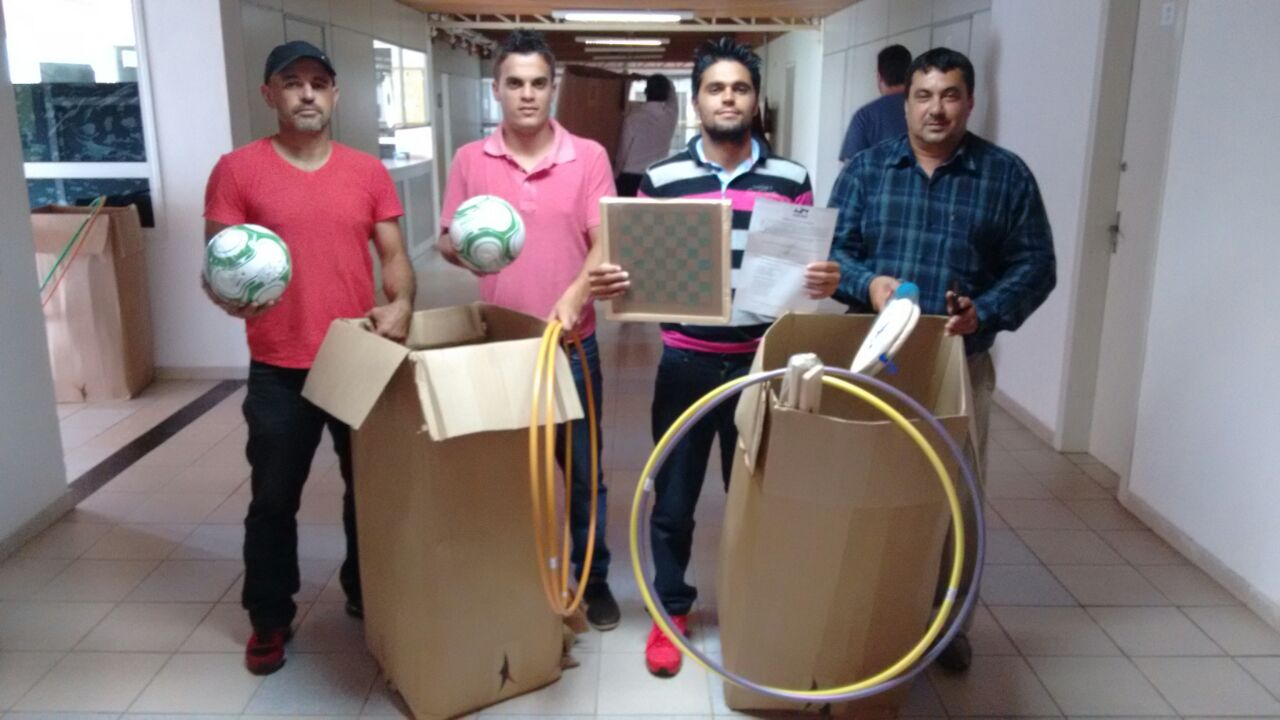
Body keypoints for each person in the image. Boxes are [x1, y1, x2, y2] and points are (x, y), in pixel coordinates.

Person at [590, 37, 841, 678]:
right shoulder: (664, 179)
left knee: (759, 499)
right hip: (685, 365)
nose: (728, 99)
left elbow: (804, 270)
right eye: (715, 89)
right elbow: (636, 264)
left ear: (756, 101)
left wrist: (822, 280)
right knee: (673, 503)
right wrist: (619, 280)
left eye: (740, 88)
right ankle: (671, 610)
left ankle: (757, 610)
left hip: (763, 367)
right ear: (697, 101)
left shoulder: (790, 179)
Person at [827, 47, 1056, 672]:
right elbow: (834, 252)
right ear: (904, 102)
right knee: (868, 489)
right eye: (924, 96)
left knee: (958, 499)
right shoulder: (868, 170)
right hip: (874, 362)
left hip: (959, 363)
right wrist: (868, 283)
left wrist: (986, 310)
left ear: (969, 102)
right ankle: (865, 612)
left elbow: (1036, 265)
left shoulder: (1005, 175)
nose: (936, 109)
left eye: (950, 95)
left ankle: (947, 626)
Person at [202, 40, 416, 676]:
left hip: (356, 356)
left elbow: (394, 256)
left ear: (335, 95)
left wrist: (402, 302)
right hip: (278, 364)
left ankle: (365, 591)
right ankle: (269, 618)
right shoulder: (237, 170)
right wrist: (226, 295)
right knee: (274, 500)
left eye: (318, 83)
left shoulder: (366, 171)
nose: (306, 93)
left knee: (367, 492)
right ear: (269, 93)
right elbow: (218, 264)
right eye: (292, 82)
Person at [436, 29, 620, 631]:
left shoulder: (588, 156)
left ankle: (591, 580)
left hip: (571, 347)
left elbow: (604, 242)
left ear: (553, 87)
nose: (527, 94)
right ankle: (517, 578)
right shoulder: (471, 160)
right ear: (496, 89)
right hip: (501, 348)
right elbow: (446, 239)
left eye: (539, 83)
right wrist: (467, 246)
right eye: (514, 83)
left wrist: (574, 295)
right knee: (509, 476)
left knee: (583, 473)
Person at [838, 44, 912, 163]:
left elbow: (851, 166)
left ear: (880, 77)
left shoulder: (865, 116)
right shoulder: (926, 111)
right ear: (911, 76)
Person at [614, 73, 679, 196]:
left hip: (629, 179)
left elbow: (622, 153)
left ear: (645, 92)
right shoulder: (670, 116)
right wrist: (651, 79)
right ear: (666, 94)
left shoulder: (632, 119)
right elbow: (672, 92)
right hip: (657, 177)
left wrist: (615, 175)